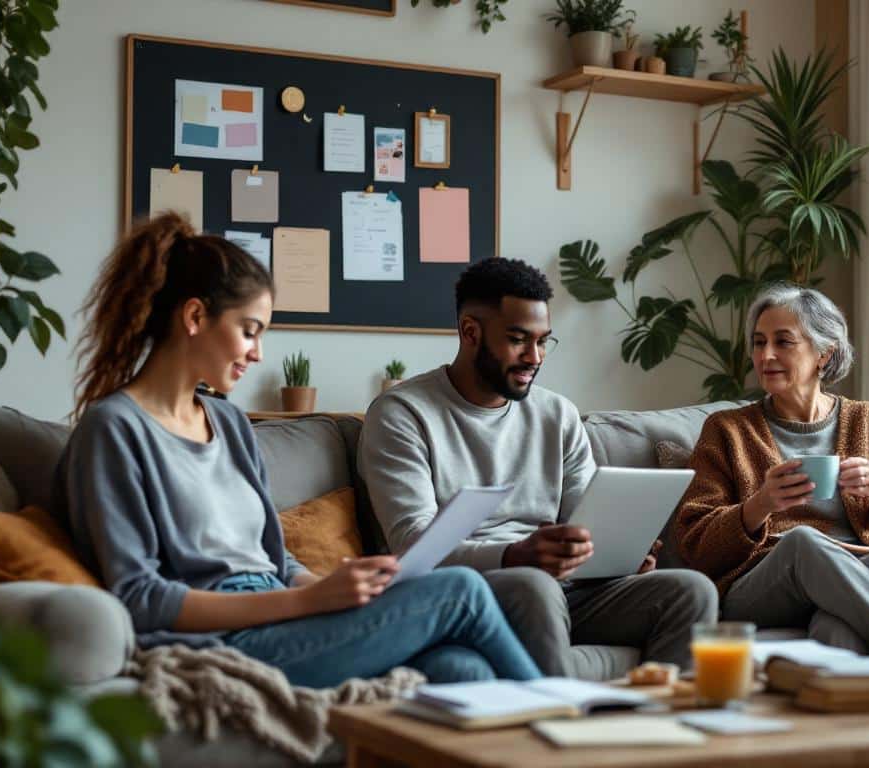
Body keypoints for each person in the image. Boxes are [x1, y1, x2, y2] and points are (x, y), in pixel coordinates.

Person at [55, 213, 540, 687]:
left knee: (459, 667)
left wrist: (349, 593)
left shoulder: (226, 421)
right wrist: (310, 603)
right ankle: (579, 725)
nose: (258, 353)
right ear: (196, 317)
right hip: (220, 641)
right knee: (462, 591)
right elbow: (142, 598)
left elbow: (276, 562)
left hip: (282, 621)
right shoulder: (114, 430)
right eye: (249, 330)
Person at [359, 258, 717, 678]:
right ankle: (560, 724)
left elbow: (587, 517)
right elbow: (413, 547)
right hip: (467, 589)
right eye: (518, 340)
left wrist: (618, 553)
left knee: (691, 591)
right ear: (470, 332)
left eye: (544, 341)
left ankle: (660, 733)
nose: (535, 357)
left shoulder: (556, 414)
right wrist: (514, 555)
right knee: (533, 584)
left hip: (564, 587)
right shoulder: (402, 414)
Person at [673, 285, 869, 664]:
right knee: (803, 543)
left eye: (783, 342)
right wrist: (759, 505)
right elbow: (694, 541)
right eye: (759, 343)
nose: (767, 355)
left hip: (857, 575)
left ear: (824, 353)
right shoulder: (727, 430)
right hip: (765, 582)